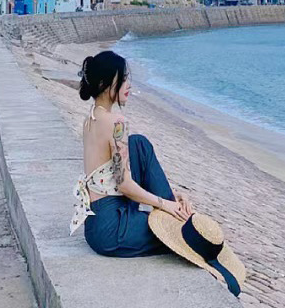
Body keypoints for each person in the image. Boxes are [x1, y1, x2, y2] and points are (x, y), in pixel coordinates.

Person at [70, 51, 193, 258]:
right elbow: (124, 185)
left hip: (94, 227)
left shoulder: (90, 119)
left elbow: (113, 174)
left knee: (138, 144)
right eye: (123, 79)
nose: (128, 85)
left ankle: (174, 206)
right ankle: (176, 212)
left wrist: (171, 195)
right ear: (105, 84)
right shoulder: (116, 123)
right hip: (112, 229)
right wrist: (165, 204)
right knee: (181, 234)